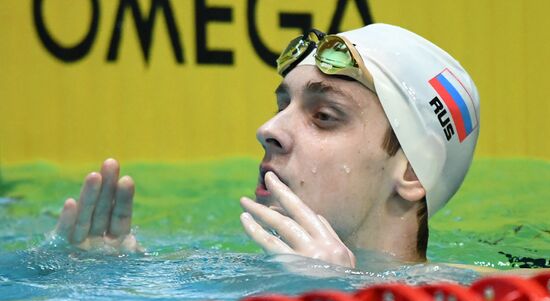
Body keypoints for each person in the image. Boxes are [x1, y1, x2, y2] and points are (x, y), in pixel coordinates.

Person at [54, 24, 480, 269]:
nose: (268, 129)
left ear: (408, 172)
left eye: (324, 116)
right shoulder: (213, 274)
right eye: (283, 105)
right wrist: (109, 278)